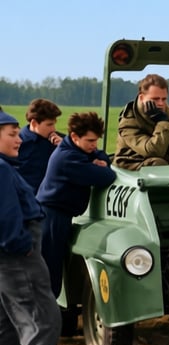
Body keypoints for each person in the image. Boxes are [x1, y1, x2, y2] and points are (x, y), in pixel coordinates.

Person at [0, 110, 69, 345]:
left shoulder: (5, 167)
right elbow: (5, 218)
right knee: (44, 318)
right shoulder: (1, 170)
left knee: (8, 321)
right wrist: (22, 246)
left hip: (9, 256)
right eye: (12, 134)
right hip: (17, 256)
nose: (19, 139)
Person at [37, 112, 116, 302]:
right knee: (50, 270)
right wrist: (101, 165)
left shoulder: (75, 150)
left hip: (58, 214)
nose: (94, 145)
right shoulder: (67, 159)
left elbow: (101, 155)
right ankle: (45, 312)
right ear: (74, 137)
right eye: (90, 141)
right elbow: (106, 177)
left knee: (55, 267)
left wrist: (99, 160)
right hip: (52, 218)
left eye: (96, 141)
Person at [17, 98, 63, 192]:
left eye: (54, 124)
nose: (53, 129)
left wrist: (65, 147)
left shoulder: (60, 140)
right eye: (49, 125)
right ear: (34, 123)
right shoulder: (16, 142)